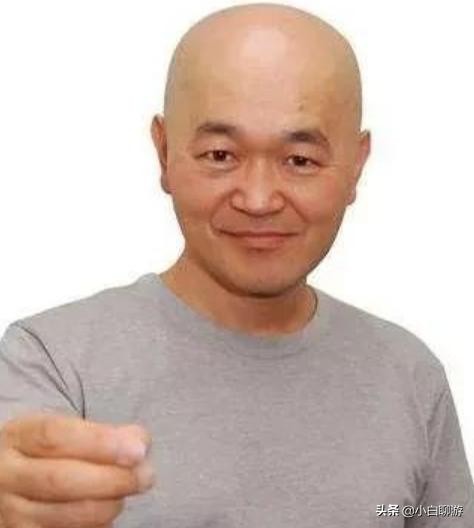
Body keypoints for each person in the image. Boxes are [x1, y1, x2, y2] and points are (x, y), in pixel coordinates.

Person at [0, 3, 472, 527]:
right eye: (221, 155)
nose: (259, 199)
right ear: (164, 152)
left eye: (300, 160)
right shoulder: (52, 364)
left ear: (356, 166)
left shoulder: (411, 378)